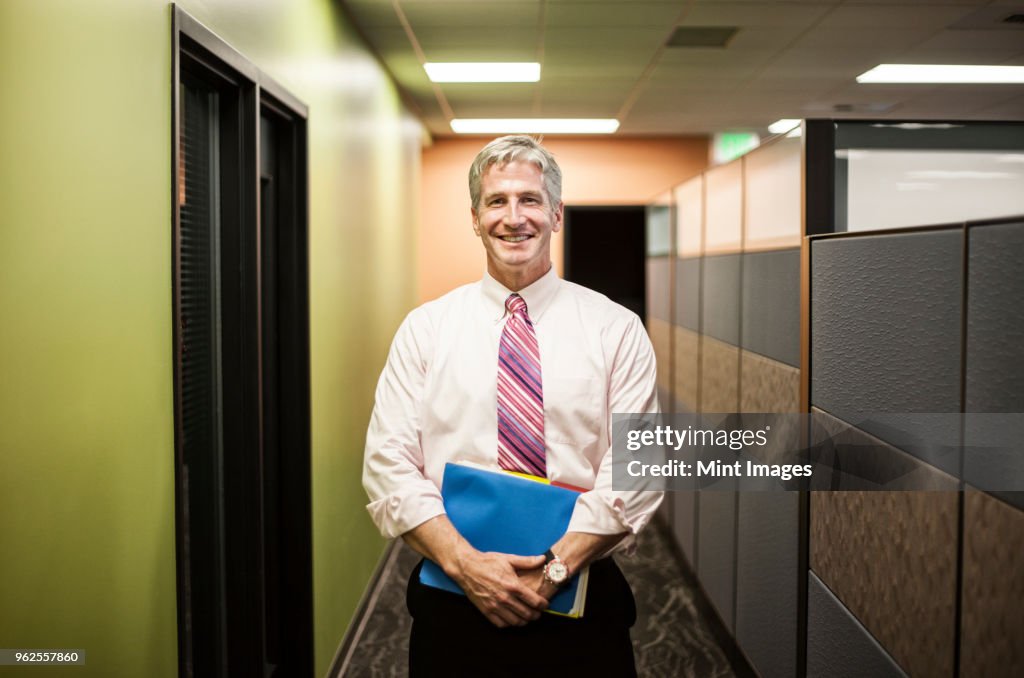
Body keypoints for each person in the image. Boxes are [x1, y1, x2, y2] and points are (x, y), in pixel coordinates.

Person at [363, 135, 662, 676]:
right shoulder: (426, 330)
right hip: (454, 595)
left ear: (556, 214)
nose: (514, 217)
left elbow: (637, 472)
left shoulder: (616, 329)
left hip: (581, 598)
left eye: (530, 199)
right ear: (475, 218)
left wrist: (550, 573)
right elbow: (388, 467)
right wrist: (470, 567)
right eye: (496, 201)